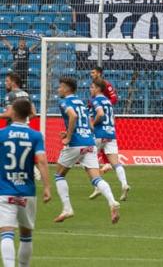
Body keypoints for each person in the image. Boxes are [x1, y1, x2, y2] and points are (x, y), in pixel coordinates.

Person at [53, 76, 120, 224]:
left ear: (66, 88)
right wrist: (72, 132)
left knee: (59, 176)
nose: (58, 89)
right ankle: (112, 201)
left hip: (76, 143)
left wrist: (69, 136)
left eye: (60, 87)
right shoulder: (81, 103)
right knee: (96, 178)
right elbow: (88, 125)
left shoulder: (64, 102)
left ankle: (67, 209)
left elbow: (73, 116)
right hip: (89, 142)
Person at [0, 99, 50, 267]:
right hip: (27, 191)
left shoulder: (1, 133)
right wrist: (47, 187)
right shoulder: (36, 135)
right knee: (26, 234)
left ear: (13, 112)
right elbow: (42, 161)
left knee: (6, 232)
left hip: (4, 189)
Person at [86, 78, 130, 203]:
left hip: (99, 134)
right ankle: (124, 184)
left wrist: (93, 124)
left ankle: (97, 186)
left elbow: (99, 114)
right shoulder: (108, 102)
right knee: (116, 163)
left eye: (92, 87)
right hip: (111, 134)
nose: (90, 89)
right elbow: (113, 119)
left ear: (98, 89)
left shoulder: (94, 101)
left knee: (88, 162)